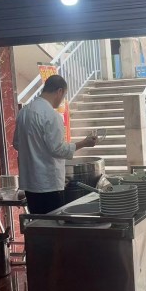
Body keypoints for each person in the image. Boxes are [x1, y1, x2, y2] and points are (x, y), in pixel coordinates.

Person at [13, 75, 97, 214]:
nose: (62, 100)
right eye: (64, 95)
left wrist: (34, 149)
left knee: (38, 222)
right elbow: (58, 149)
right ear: (59, 91)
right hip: (48, 184)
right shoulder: (51, 116)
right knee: (52, 223)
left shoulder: (23, 112)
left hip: (30, 184)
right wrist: (84, 143)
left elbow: (16, 143)